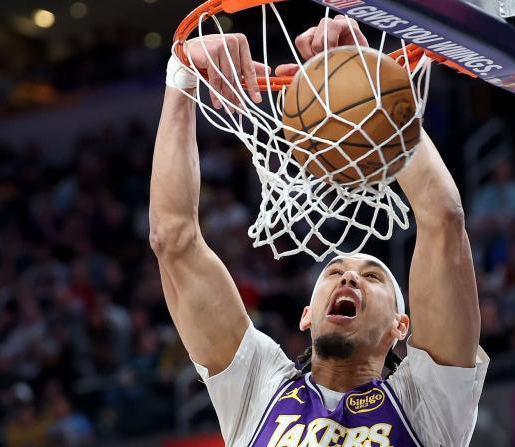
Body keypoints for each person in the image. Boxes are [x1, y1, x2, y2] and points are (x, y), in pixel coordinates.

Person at [150, 15, 488, 447]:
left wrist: (373, 87)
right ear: (306, 315)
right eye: (334, 272)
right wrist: (181, 79)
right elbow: (173, 239)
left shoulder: (429, 401)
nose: (349, 278)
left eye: (372, 277)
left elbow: (443, 218)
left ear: (400, 327)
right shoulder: (258, 387)